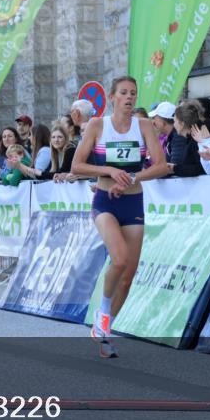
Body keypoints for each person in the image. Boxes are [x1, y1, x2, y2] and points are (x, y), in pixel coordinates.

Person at [71, 76, 169, 358]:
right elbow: (77, 165)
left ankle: (105, 331)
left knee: (128, 275)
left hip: (132, 201)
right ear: (113, 97)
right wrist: (109, 171)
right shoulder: (97, 125)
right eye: (123, 93)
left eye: (133, 93)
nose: (129, 97)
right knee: (120, 258)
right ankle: (102, 311)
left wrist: (131, 177)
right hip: (105, 202)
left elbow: (161, 166)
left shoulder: (145, 126)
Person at [171, 103, 207, 177]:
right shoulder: (189, 140)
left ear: (182, 123)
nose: (174, 125)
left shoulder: (195, 141)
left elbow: (201, 168)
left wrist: (174, 168)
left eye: (174, 121)